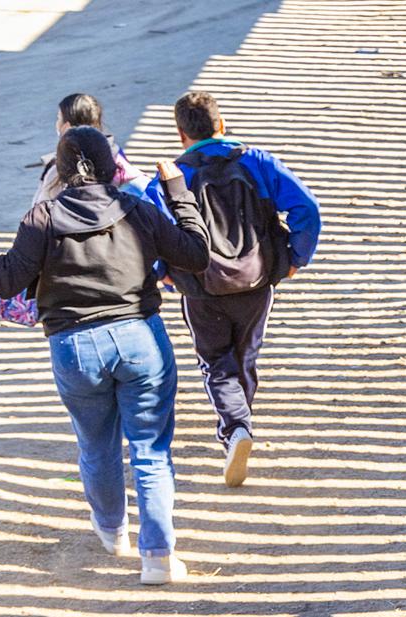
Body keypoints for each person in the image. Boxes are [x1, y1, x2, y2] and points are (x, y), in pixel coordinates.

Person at [0, 126, 211, 585]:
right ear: (113, 166)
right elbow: (195, 254)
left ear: (62, 170)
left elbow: (5, 278)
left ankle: (113, 533)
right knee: (151, 450)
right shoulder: (137, 208)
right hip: (139, 338)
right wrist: (177, 191)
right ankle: (158, 558)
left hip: (74, 347)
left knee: (96, 444)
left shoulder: (43, 217)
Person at [145, 90, 322, 487]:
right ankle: (240, 422)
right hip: (257, 278)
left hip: (200, 285)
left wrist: (163, 272)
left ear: (180, 135)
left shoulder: (173, 176)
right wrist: (296, 256)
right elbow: (306, 208)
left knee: (215, 360)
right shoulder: (256, 161)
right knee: (246, 354)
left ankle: (235, 427)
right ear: (221, 125)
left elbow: (149, 227)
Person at [31, 92, 145, 206]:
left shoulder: (59, 170)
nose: (56, 124)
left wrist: (65, 140)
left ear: (68, 127)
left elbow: (38, 210)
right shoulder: (115, 154)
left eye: (58, 119)